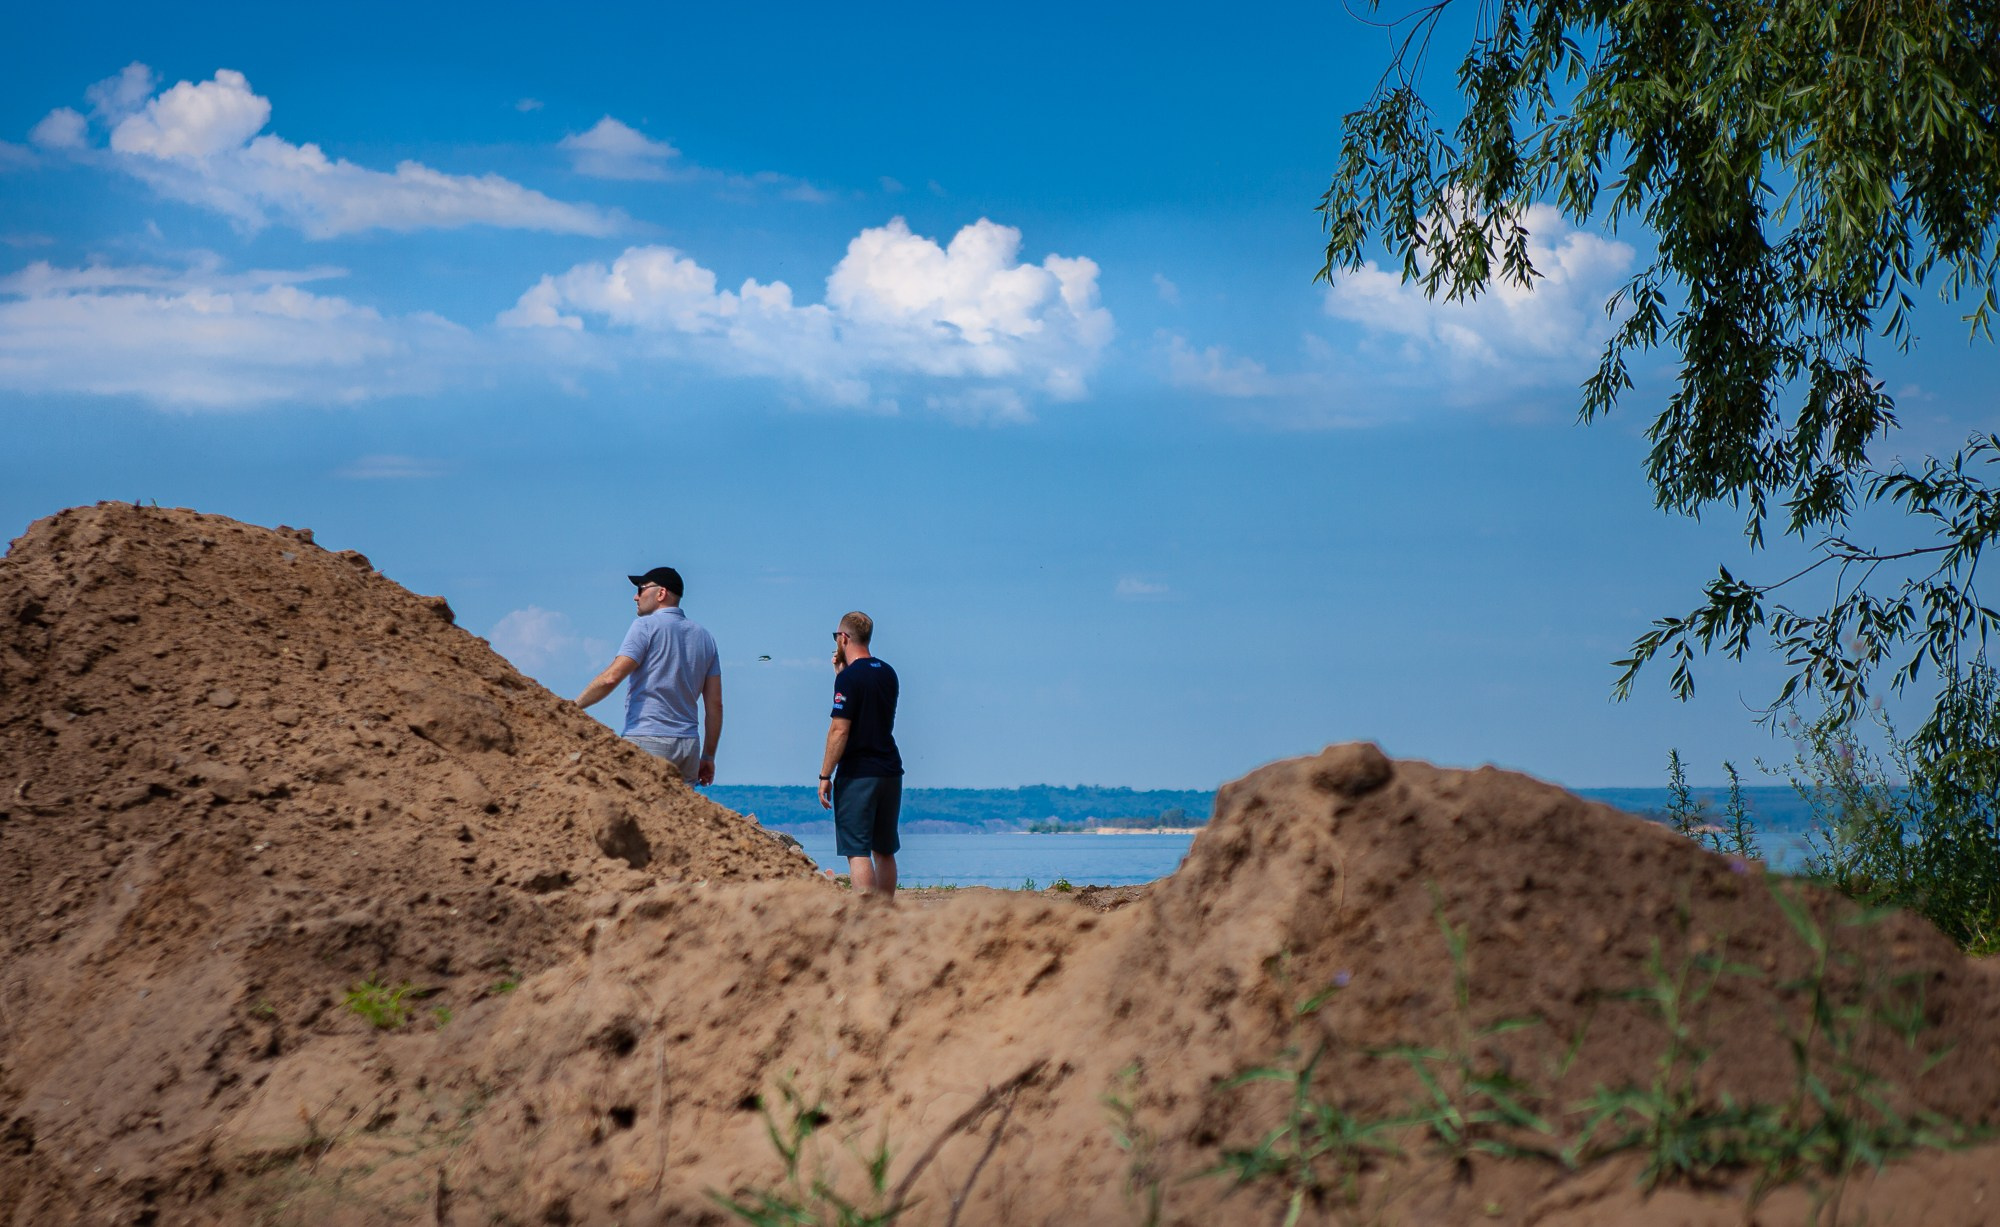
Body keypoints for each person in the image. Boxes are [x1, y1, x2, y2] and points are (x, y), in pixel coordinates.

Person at [575, 566, 721, 785]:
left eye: (641, 589)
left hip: (647, 739)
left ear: (661, 593)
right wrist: (708, 756)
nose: (635, 596)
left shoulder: (645, 626)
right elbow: (715, 706)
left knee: (638, 813)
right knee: (677, 817)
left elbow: (611, 678)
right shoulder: (705, 638)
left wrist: (572, 707)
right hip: (688, 745)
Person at [817, 611, 902, 897]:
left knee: (858, 851)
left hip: (859, 773)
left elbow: (840, 730)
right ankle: (886, 914)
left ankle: (867, 919)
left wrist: (825, 774)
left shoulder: (849, 679)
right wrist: (842, 676)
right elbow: (869, 707)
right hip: (889, 770)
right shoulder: (888, 673)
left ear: (844, 638)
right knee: (885, 850)